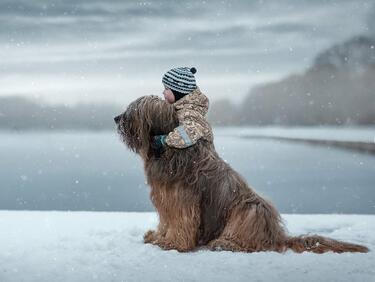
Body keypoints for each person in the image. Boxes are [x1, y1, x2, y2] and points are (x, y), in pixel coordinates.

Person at [152, 67, 213, 153]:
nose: (163, 92)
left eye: (166, 89)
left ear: (178, 92)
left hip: (199, 162)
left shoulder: (189, 113)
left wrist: (165, 140)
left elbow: (188, 135)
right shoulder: (184, 109)